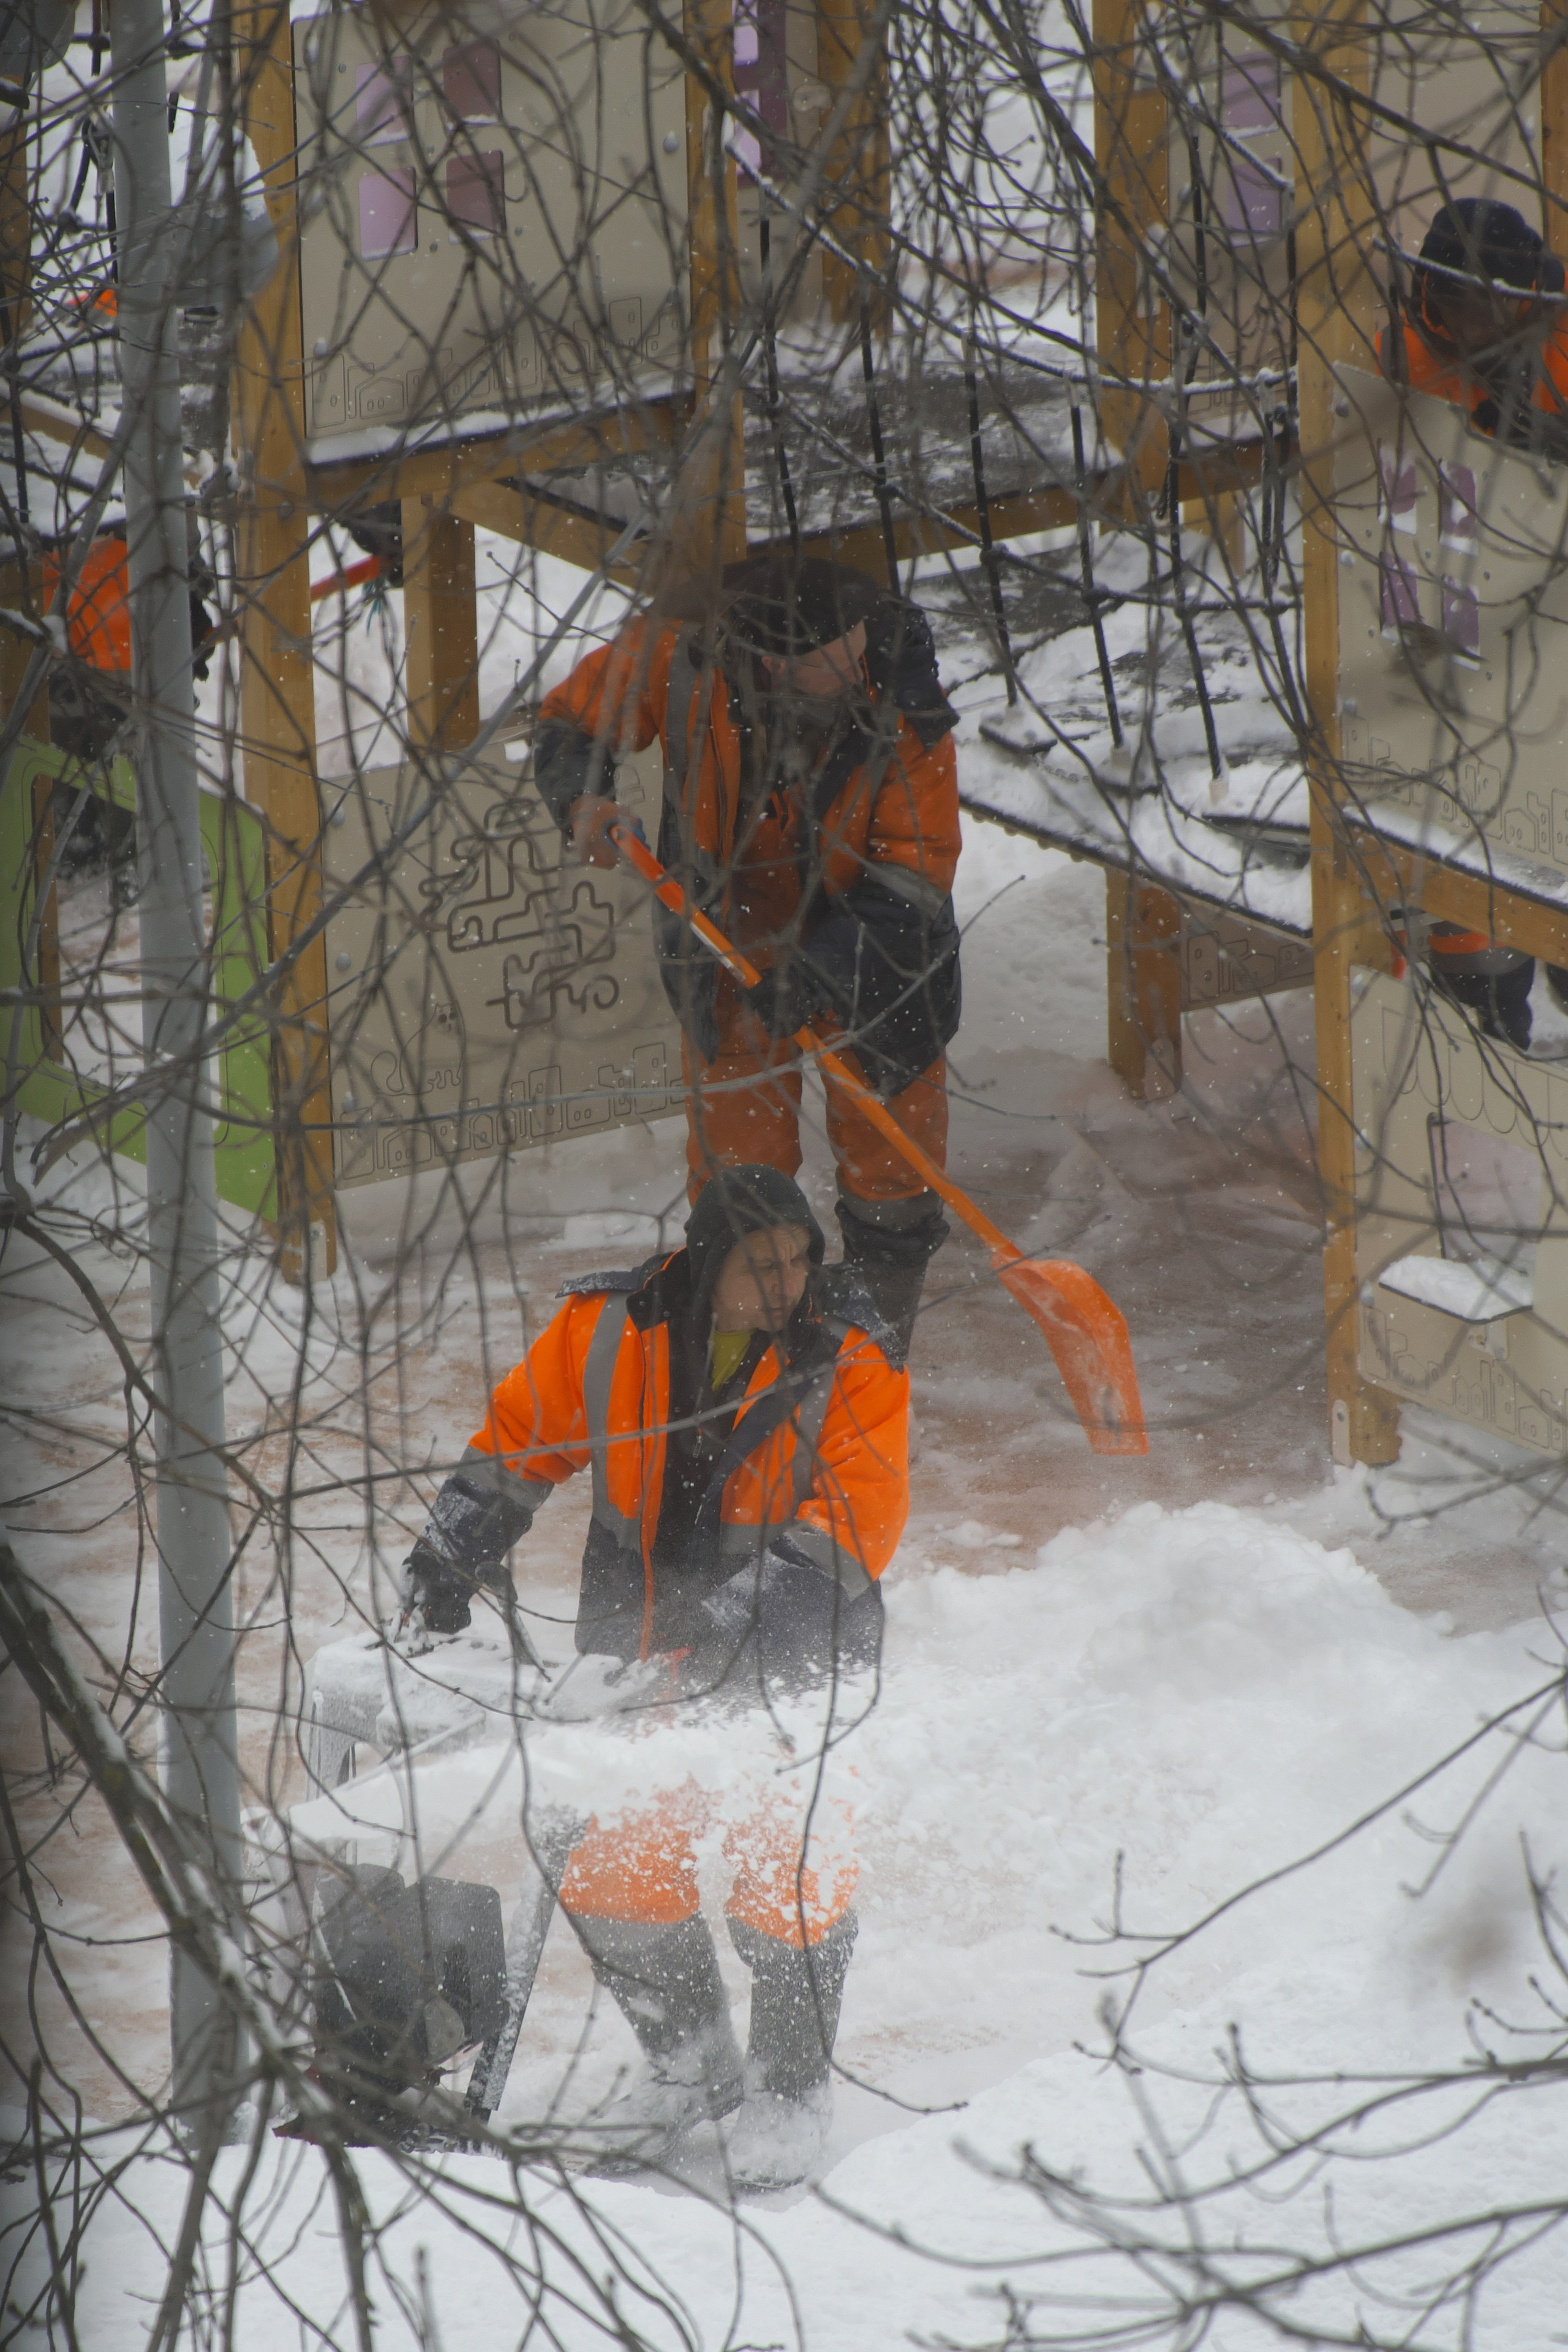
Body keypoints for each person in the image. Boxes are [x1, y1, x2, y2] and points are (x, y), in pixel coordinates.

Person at [400, 1164, 907, 2188]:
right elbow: (519, 1441)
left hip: (796, 1654)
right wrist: (448, 1555)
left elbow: (859, 1519)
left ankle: (790, 2089)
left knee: (789, 1875)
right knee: (614, 1861)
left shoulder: (850, 1353)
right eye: (762, 1264)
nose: (787, 1282)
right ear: (707, 1264)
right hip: (636, 1647)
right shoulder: (606, 1333)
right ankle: (690, 2069)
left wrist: (730, 1625)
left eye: (802, 1258)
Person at [531, 553, 963, 1362]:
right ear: (764, 659)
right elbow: (572, 720)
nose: (847, 663)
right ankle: (742, 1362)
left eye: (852, 644)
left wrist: (817, 972)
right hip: (727, 950)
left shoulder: (909, 708)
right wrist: (581, 794)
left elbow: (917, 874)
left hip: (879, 966)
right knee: (738, 1182)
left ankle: (872, 1354)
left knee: (894, 1178)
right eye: (818, 660)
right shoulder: (679, 658)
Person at [1381, 200, 1568, 1042]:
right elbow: (1388, 483)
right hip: (1461, 612)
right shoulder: (1406, 349)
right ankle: (1484, 1034)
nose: (1478, 325)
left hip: (1554, 620)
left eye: (1498, 304)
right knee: (1471, 909)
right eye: (1460, 304)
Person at [1382, 195, 1568, 451]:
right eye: (1454, 306)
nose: (1472, 333)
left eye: (1490, 311)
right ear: (1432, 293)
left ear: (1525, 289)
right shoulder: (1396, 350)